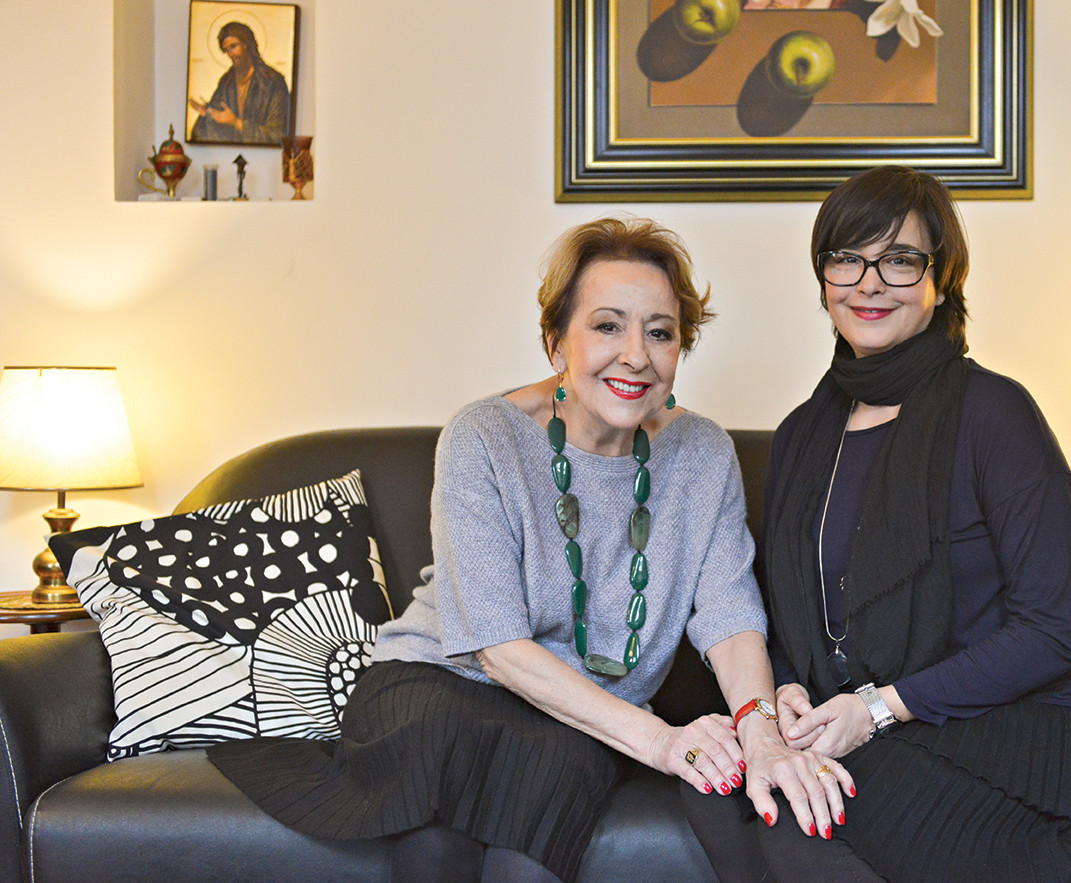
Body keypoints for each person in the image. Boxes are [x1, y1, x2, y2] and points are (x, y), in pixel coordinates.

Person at [208, 217, 851, 882]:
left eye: (660, 332)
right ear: (555, 342)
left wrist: (758, 729)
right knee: (434, 826)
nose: (635, 354)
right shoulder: (483, 437)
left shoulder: (703, 453)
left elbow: (728, 612)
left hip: (581, 709)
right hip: (441, 681)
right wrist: (662, 741)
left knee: (540, 824)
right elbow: (495, 646)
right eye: (607, 326)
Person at [682, 166, 1071, 882]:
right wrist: (786, 691)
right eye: (847, 258)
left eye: (899, 260)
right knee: (723, 785)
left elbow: (1052, 631)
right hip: (869, 721)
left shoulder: (996, 415)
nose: (869, 284)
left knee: (806, 805)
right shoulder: (802, 435)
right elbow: (786, 613)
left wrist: (877, 708)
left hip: (1015, 727)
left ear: (942, 277)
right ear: (823, 277)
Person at [189, 21, 290, 145]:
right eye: (227, 50)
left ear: (246, 44)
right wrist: (207, 114)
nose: (231, 54)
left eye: (234, 46)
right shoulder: (227, 82)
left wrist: (236, 122)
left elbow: (278, 135)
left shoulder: (272, 82)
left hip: (262, 153)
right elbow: (213, 127)